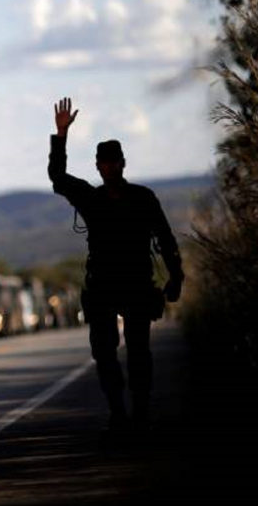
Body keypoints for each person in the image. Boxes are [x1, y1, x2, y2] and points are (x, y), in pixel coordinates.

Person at [48, 97, 184, 432]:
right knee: (105, 353)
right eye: (104, 163)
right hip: (103, 287)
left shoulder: (143, 197)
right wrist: (61, 135)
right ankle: (118, 413)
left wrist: (176, 277)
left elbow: (166, 239)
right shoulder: (89, 197)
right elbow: (57, 175)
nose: (109, 167)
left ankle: (138, 412)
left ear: (123, 164)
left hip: (137, 283)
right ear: (98, 167)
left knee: (139, 352)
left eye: (114, 162)